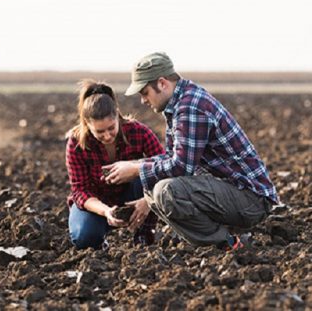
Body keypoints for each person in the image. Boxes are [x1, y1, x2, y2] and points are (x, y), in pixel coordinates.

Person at [105, 52, 279, 250]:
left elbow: (181, 167)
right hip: (231, 191)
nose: (143, 100)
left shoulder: (190, 107)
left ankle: (229, 243)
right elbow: (173, 157)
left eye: (145, 92)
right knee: (153, 186)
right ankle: (224, 234)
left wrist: (136, 170)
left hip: (251, 200)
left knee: (166, 192)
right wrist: (135, 166)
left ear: (162, 83)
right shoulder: (179, 103)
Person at [66, 80, 165, 249]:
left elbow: (165, 165)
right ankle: (99, 240)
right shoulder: (76, 144)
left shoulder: (138, 132)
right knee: (84, 237)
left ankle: (143, 235)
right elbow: (80, 190)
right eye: (100, 131)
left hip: (134, 195)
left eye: (111, 128)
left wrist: (148, 201)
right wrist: (105, 211)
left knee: (146, 171)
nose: (107, 136)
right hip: (97, 202)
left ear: (117, 116)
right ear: (87, 125)